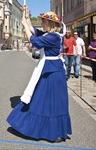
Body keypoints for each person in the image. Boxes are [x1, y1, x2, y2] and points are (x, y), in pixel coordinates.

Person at [7, 8, 72, 143]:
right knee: (41, 99)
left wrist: (24, 26)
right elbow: (33, 30)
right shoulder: (49, 35)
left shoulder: (53, 37)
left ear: (51, 24)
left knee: (52, 102)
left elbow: (35, 42)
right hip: (48, 70)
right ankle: (41, 128)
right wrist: (26, 17)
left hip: (52, 72)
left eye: (43, 22)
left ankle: (56, 132)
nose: (41, 24)